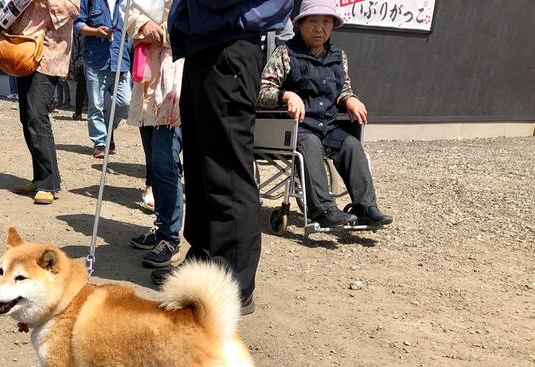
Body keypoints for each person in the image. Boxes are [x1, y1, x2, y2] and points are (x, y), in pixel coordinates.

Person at [152, 0, 292, 313]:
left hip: (230, 42)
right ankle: (204, 264)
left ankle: (234, 282)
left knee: (225, 169)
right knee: (202, 167)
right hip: (206, 43)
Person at [258, 0, 392, 229]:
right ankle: (323, 209)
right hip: (296, 128)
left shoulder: (339, 56)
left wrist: (349, 99)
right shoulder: (286, 53)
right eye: (313, 22)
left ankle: (365, 207)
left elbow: (343, 89)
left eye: (326, 22)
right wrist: (287, 96)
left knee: (351, 145)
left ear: (332, 26)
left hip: (327, 126)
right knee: (310, 143)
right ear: (300, 24)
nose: (320, 28)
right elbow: (263, 91)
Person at [125, 0, 183, 270]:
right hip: (148, 74)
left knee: (165, 160)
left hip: (176, 78)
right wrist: (142, 25)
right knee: (154, 162)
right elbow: (129, 14)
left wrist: (162, 29)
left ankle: (170, 236)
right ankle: (161, 228)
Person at [11, 0, 79, 205]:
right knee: (26, 116)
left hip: (48, 54)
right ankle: (40, 177)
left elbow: (73, 9)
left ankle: (48, 183)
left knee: (37, 114)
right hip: (23, 49)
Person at [75, 0, 130, 158]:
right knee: (96, 105)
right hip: (95, 58)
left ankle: (106, 132)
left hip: (120, 59)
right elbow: (78, 25)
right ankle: (100, 142)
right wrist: (95, 31)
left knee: (124, 102)